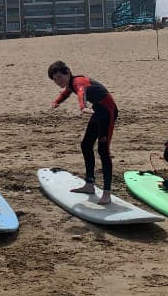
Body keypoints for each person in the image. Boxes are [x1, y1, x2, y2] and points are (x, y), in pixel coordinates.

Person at [49, 61, 119, 205]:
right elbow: (66, 93)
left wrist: (83, 107)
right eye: (55, 80)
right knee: (86, 145)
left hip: (107, 112)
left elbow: (81, 92)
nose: (57, 82)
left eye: (59, 77)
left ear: (68, 72)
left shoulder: (79, 81)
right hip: (98, 111)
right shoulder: (70, 84)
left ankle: (107, 193)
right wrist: (56, 102)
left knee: (103, 151)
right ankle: (89, 184)